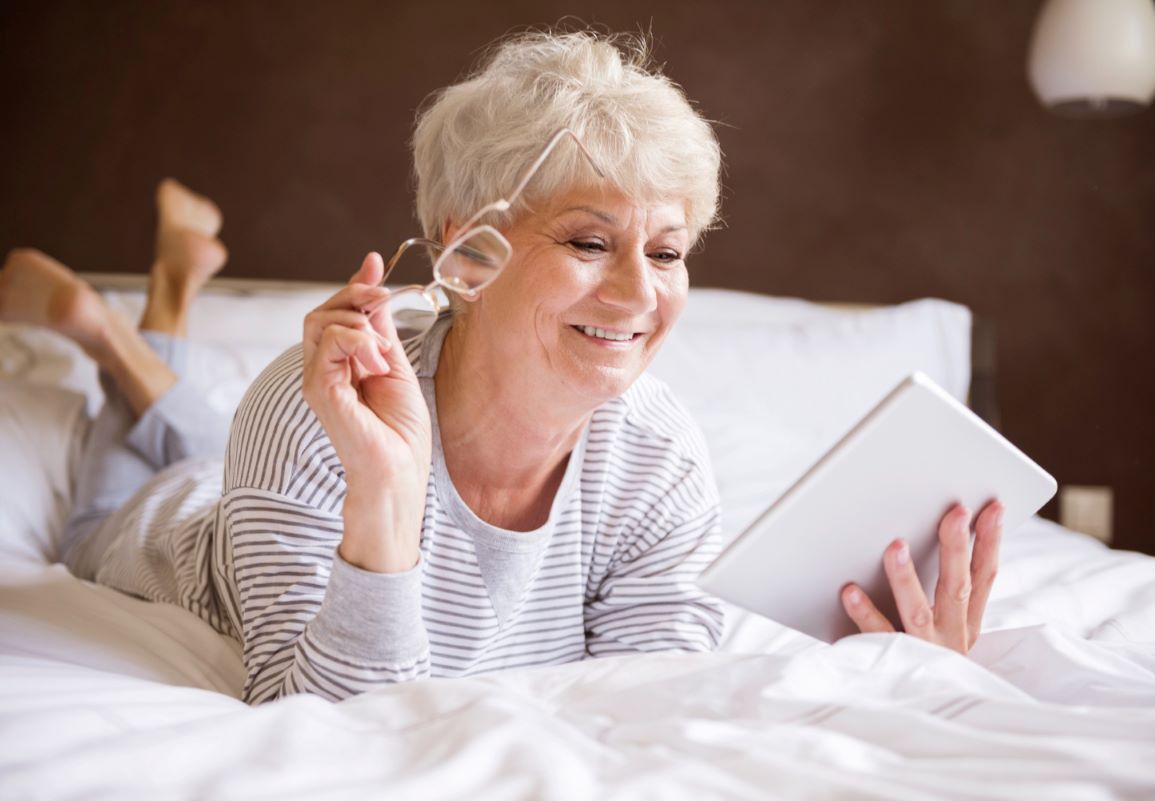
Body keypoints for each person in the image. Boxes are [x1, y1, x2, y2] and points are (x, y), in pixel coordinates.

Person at [0, 30, 1003, 706]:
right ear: (463, 251)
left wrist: (892, 684)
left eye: (666, 250)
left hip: (264, 461)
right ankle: (122, 334)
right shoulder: (308, 414)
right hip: (167, 532)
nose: (641, 296)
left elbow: (656, 712)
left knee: (208, 427)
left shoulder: (656, 460)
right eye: (587, 241)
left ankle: (155, 310)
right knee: (123, 485)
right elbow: (330, 722)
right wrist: (388, 498)